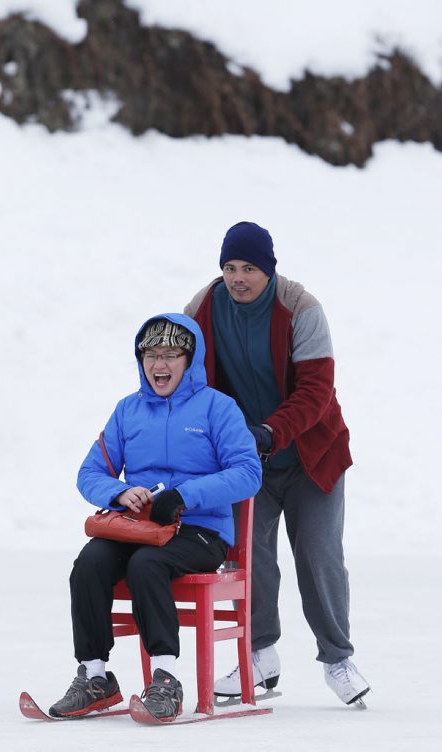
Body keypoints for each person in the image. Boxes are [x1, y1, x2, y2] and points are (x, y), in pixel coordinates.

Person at [184, 221, 370, 707]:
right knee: (249, 560)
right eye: (229, 267)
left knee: (319, 556)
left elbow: (316, 391)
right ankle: (259, 655)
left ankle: (337, 659)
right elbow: (186, 384)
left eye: (248, 268)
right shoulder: (201, 310)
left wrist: (269, 432)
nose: (237, 277)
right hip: (247, 463)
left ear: (269, 269)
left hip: (311, 455)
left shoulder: (301, 309)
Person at [49, 313, 262, 722]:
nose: (158, 364)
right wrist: (119, 491)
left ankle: (166, 681)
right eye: (149, 355)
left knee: (149, 566)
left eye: (169, 354)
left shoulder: (219, 408)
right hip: (141, 528)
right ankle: (96, 679)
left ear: (191, 359)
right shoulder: (128, 410)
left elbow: (248, 473)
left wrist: (185, 495)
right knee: (89, 563)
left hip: (200, 532)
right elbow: (89, 473)